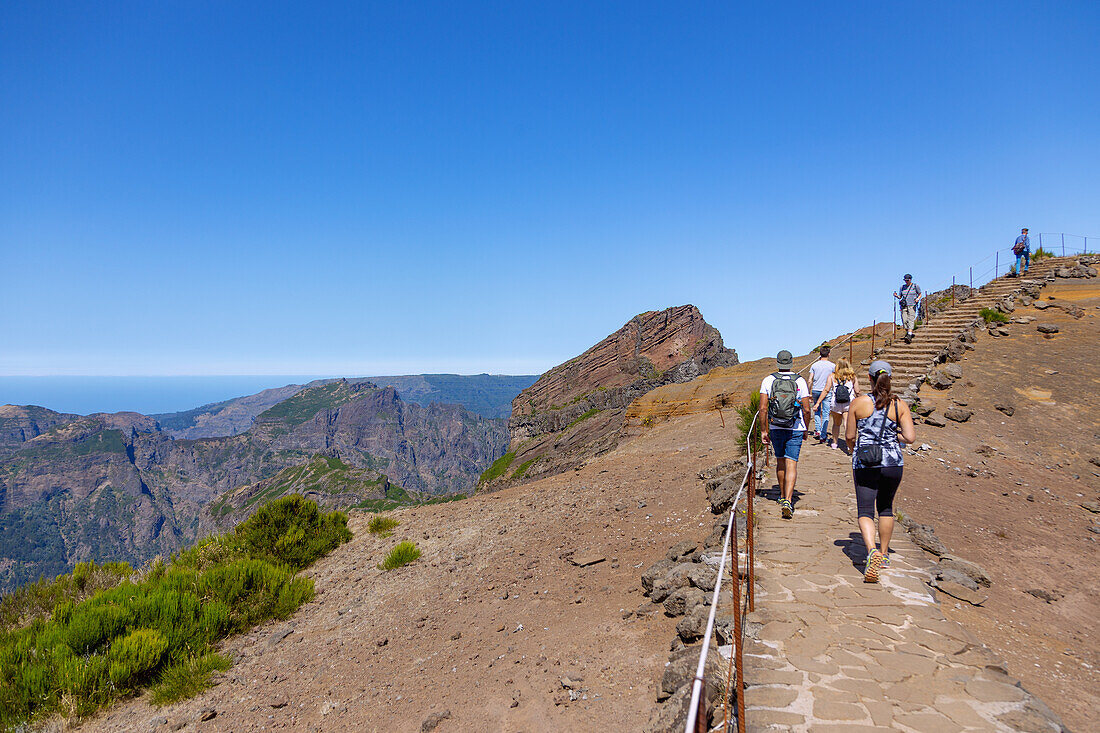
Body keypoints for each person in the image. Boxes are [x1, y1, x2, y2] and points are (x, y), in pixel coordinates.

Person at [845, 360, 916, 583]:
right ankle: (884, 553)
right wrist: (892, 436)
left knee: (865, 511)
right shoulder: (899, 405)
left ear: (869, 378)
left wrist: (853, 449)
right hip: (893, 463)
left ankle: (871, 551)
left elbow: (849, 436)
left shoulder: (859, 403)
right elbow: (910, 438)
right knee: (886, 507)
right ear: (889, 379)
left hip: (866, 462)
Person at [759, 350, 813, 520]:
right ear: (791, 362)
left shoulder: (768, 380)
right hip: (795, 428)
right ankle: (788, 501)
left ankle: (782, 495)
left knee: (780, 462)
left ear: (777, 363)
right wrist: (805, 428)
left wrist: (763, 430)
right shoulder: (800, 381)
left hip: (775, 427)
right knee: (792, 463)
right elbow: (806, 409)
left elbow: (763, 408)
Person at [826, 358, 860, 451]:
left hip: (835, 403)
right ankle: (849, 444)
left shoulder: (832, 376)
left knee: (836, 424)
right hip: (848, 402)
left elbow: (827, 389)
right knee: (847, 423)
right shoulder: (852, 376)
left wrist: (817, 402)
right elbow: (857, 391)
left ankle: (834, 443)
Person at [808, 346, 835, 443]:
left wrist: (808, 392)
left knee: (817, 410)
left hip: (815, 390)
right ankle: (823, 434)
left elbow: (810, 380)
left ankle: (818, 430)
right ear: (829, 354)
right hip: (826, 391)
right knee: (826, 413)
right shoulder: (832, 366)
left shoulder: (814, 365)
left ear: (819, 354)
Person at [893, 274, 922, 343]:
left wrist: (917, 299)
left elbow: (920, 294)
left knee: (910, 319)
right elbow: (900, 296)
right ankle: (909, 332)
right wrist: (896, 296)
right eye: (905, 280)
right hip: (904, 306)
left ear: (910, 279)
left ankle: (909, 335)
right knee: (904, 320)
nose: (906, 281)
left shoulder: (915, 286)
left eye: (907, 280)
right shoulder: (902, 287)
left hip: (912, 305)